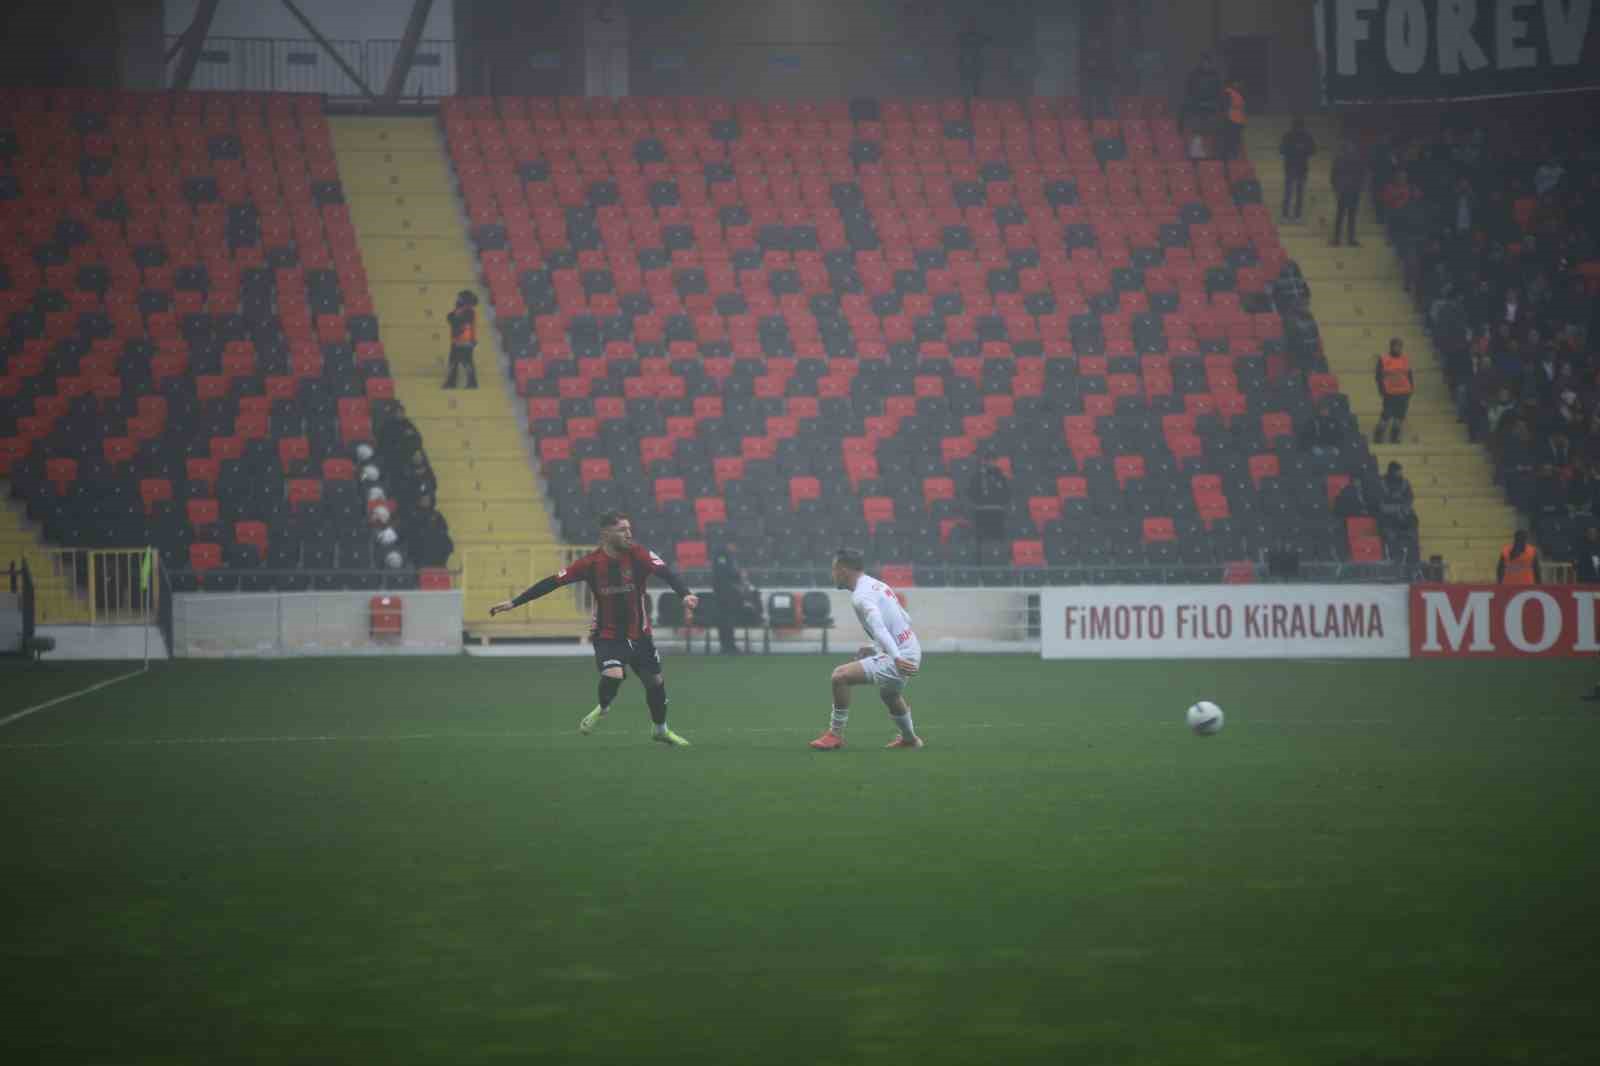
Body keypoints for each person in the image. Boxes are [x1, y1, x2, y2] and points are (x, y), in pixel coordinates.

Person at [489, 511, 699, 745]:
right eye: (622, 530)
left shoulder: (639, 554)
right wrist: (514, 602)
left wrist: (685, 595)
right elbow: (552, 582)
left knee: (655, 683)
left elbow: (667, 573)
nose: (629, 534)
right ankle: (604, 706)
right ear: (606, 534)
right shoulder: (590, 564)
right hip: (608, 635)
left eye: (630, 529)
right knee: (614, 674)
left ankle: (660, 729)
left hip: (640, 634)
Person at [809, 548, 923, 751]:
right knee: (889, 695)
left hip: (900, 655)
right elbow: (905, 618)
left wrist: (895, 657)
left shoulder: (861, 596)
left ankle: (835, 735)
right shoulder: (877, 585)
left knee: (840, 676)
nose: (832, 574)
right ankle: (910, 739)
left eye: (834, 569)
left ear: (844, 570)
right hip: (910, 648)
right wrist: (874, 647)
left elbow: (879, 626)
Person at [967, 452, 1011, 558]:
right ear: (984, 462)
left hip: (998, 513)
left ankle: (999, 559)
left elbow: (1007, 494)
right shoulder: (977, 477)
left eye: (993, 461)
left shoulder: (1001, 477)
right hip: (981, 513)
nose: (991, 463)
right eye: (988, 461)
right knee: (982, 541)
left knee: (997, 542)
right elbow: (971, 494)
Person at [710, 544, 751, 655]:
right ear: (730, 545)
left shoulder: (728, 556)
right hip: (723, 594)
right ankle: (727, 646)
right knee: (725, 621)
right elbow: (725, 574)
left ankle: (729, 646)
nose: (735, 549)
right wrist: (739, 574)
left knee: (728, 621)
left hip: (728, 594)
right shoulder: (721, 555)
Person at [1374, 337, 1413, 444]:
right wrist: (1382, 391)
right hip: (1390, 393)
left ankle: (1394, 437)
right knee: (1385, 416)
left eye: (1400, 346)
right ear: (1391, 347)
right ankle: (1378, 436)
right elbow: (1378, 376)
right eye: (1396, 346)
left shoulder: (1405, 359)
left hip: (1404, 393)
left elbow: (1409, 375)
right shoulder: (1384, 359)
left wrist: (1411, 390)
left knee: (1399, 418)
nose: (1398, 348)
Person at [1279, 116, 1316, 221]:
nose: (1298, 130)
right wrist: (1298, 151)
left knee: (1294, 193)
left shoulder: (1303, 136)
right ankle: (1289, 215)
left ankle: (1293, 215)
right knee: (1290, 193)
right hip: (1296, 168)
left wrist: (1302, 151)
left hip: (1297, 168)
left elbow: (1313, 150)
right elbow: (1281, 150)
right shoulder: (1291, 136)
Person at [1331, 139, 1365, 247]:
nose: (1351, 149)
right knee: (1343, 215)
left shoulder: (1355, 159)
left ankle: (1345, 239)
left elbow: (1361, 176)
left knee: (1348, 216)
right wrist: (1337, 188)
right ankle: (1340, 239)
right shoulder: (1341, 159)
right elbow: (1334, 176)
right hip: (1346, 191)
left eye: (1352, 147)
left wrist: (1359, 188)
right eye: (1349, 147)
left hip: (1351, 191)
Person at [1179, 52, 1222, 136]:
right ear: (1201, 63)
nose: (1206, 64)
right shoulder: (1194, 74)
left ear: (1210, 63)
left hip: (1211, 102)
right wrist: (1193, 99)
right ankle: (1181, 131)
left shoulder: (1215, 75)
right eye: (1204, 62)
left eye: (1207, 62)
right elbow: (1189, 89)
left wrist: (1215, 101)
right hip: (1196, 102)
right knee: (1183, 108)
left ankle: (1215, 132)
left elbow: (1218, 91)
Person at [443, 290, 479, 389]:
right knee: (454, 363)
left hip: (464, 342)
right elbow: (450, 318)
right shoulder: (461, 310)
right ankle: (451, 382)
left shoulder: (469, 312)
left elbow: (455, 321)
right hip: (457, 342)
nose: (457, 300)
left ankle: (472, 383)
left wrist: (455, 315)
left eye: (460, 298)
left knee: (466, 363)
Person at [956, 18, 990, 99]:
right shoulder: (963, 36)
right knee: (965, 84)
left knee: (976, 84)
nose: (971, 26)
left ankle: (975, 100)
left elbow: (988, 40)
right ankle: (965, 99)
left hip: (975, 63)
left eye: (972, 25)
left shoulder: (977, 36)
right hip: (965, 63)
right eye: (969, 24)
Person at [1220, 80, 1246, 162]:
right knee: (1232, 139)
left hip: (1238, 120)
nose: (1238, 84)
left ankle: (1234, 155)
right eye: (1236, 82)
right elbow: (1226, 105)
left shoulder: (1238, 94)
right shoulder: (1228, 92)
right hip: (1232, 119)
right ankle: (1231, 155)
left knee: (1236, 139)